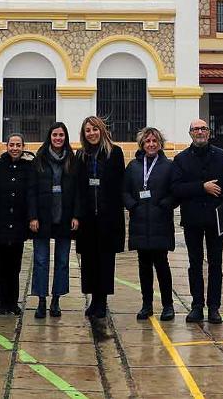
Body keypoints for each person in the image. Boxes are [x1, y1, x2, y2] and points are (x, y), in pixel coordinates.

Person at [171, 118, 223, 324]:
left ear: (209, 132)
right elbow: (176, 189)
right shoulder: (181, 159)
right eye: (196, 129)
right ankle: (197, 305)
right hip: (192, 219)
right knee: (195, 263)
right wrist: (202, 187)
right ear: (190, 133)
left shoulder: (222, 156)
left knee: (216, 264)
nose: (200, 132)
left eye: (203, 129)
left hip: (217, 218)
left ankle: (214, 307)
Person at [73, 116, 125, 319]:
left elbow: (119, 183)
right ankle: (93, 299)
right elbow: (78, 186)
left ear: (101, 130)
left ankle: (102, 301)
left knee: (105, 260)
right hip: (87, 218)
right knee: (88, 260)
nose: (91, 133)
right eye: (87, 130)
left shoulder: (115, 153)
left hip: (107, 216)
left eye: (94, 129)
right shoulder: (81, 155)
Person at [122, 126, 176, 321]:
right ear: (142, 144)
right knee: (143, 266)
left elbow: (175, 191)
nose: (151, 144)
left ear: (160, 144)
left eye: (155, 141)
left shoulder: (168, 166)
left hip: (160, 221)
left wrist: (165, 205)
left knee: (162, 265)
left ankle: (168, 305)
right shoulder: (133, 166)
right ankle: (146, 304)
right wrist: (132, 205)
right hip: (140, 222)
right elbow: (124, 190)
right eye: (148, 141)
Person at [27, 122, 77, 319]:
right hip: (43, 217)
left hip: (64, 217)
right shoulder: (39, 160)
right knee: (40, 261)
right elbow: (31, 191)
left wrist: (75, 215)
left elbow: (77, 192)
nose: (58, 138)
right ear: (50, 137)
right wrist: (32, 216)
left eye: (61, 135)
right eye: (55, 134)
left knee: (63, 261)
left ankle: (56, 299)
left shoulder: (72, 161)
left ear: (65, 138)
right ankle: (41, 300)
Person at [0, 133, 33, 315]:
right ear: (6, 146)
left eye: (18, 145)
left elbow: (31, 193)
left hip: (18, 224)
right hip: (0, 224)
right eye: (12, 144)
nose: (15, 148)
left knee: (15, 266)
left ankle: (13, 302)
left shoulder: (28, 167)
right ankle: (2, 302)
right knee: (0, 266)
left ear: (23, 147)